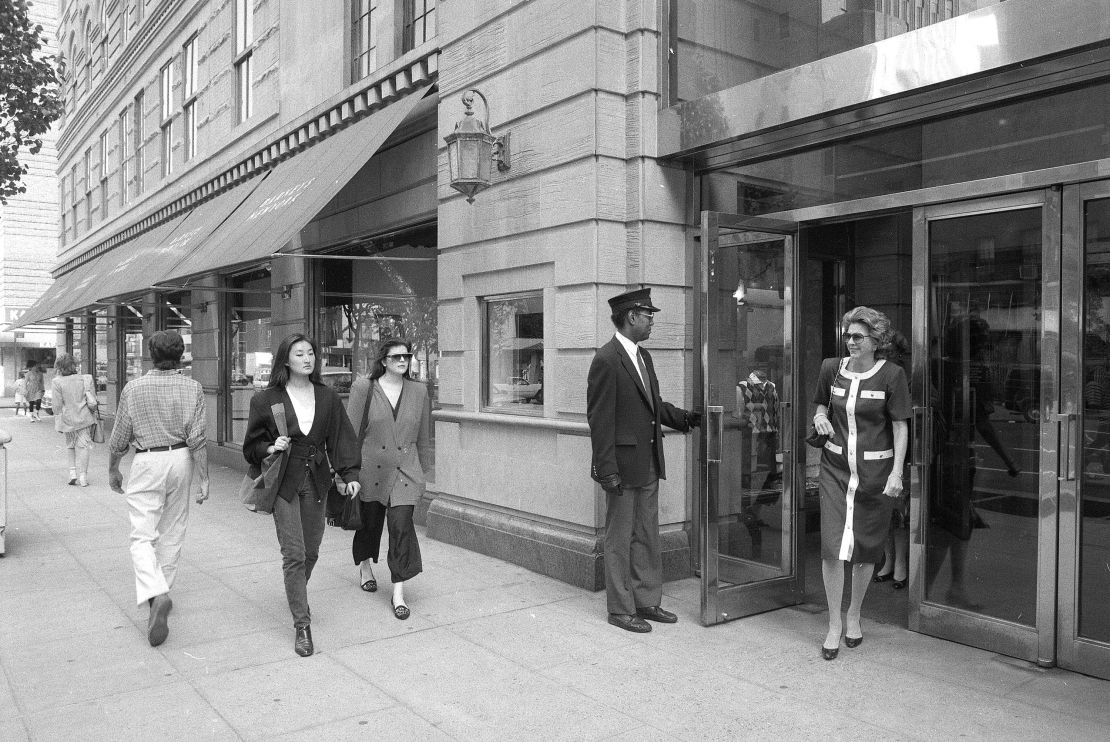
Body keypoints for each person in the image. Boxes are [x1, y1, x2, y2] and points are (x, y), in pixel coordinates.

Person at [587, 287, 701, 633]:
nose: (652, 322)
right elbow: (600, 419)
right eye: (648, 316)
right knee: (619, 538)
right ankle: (621, 609)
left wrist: (686, 418)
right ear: (631, 317)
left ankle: (647, 600)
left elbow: (655, 405)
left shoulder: (643, 357)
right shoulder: (606, 359)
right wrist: (606, 470)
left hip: (649, 462)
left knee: (647, 534)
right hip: (622, 467)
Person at [243, 333, 361, 657]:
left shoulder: (327, 398)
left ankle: (296, 592)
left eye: (311, 352)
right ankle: (302, 625)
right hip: (284, 481)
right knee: (293, 553)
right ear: (286, 360)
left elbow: (341, 438)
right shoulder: (266, 399)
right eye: (299, 354)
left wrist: (349, 475)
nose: (307, 358)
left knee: (311, 551)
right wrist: (271, 445)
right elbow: (251, 448)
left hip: (317, 480)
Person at [811, 306, 910, 660]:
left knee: (867, 546)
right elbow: (820, 405)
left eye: (858, 337)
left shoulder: (892, 376)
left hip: (876, 474)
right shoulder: (830, 368)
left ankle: (855, 614)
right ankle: (834, 623)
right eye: (847, 336)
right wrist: (820, 418)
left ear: (875, 341)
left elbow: (900, 425)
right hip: (835, 469)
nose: (850, 342)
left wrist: (897, 472)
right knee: (832, 545)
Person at [108, 331, 209, 648]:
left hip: (147, 460)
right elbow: (198, 438)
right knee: (173, 529)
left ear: (150, 355)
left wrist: (112, 467)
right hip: (180, 457)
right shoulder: (193, 388)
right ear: (180, 356)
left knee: (142, 533)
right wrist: (204, 478)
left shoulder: (133, 388)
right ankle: (160, 592)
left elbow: (120, 436)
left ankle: (156, 593)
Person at [346, 339, 433, 620]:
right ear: (383, 360)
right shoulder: (364, 388)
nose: (402, 360)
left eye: (406, 356)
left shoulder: (419, 391)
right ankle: (365, 567)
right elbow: (351, 433)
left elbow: (424, 436)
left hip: (406, 471)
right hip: (372, 469)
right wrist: (347, 472)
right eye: (396, 356)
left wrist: (423, 471)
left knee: (401, 527)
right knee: (370, 525)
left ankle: (398, 593)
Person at [873, 331, 911, 589]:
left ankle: (900, 565)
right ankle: (888, 561)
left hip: (902, 453)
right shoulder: (875, 375)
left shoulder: (903, 377)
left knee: (899, 514)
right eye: (881, 354)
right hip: (878, 451)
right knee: (885, 513)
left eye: (888, 353)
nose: (884, 358)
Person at [51, 353, 99, 486]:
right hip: (84, 418)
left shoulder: (56, 382)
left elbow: (56, 406)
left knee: (70, 445)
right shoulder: (86, 378)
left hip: (67, 419)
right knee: (83, 447)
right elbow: (93, 401)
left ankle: (72, 473)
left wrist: (58, 421)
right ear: (74, 365)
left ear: (60, 367)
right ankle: (83, 476)